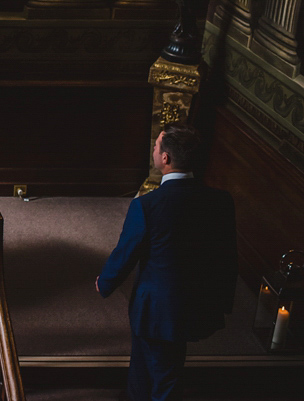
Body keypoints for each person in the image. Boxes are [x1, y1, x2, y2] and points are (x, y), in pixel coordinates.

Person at [97, 122, 238, 401]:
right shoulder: (221, 201)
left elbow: (126, 252)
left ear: (165, 158)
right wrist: (222, 302)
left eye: (156, 145)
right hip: (196, 302)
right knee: (149, 365)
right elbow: (227, 256)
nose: (154, 149)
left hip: (156, 308)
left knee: (164, 375)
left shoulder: (147, 206)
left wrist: (105, 283)